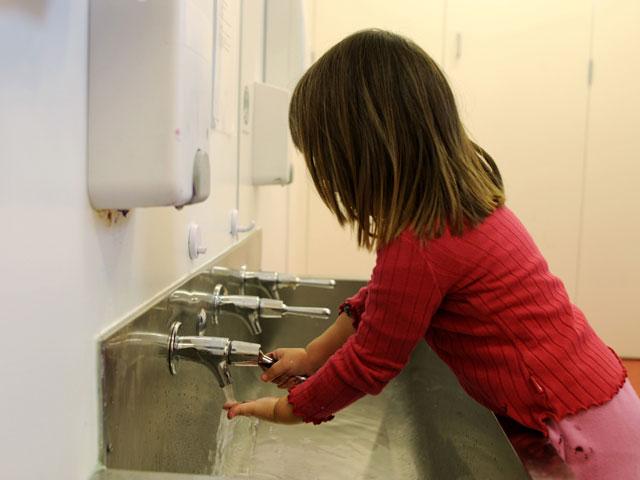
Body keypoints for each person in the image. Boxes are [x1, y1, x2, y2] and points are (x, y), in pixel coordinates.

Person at [223, 29, 640, 479]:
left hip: (577, 433)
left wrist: (286, 409)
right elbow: (382, 302)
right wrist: (311, 355)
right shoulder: (456, 212)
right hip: (597, 406)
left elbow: (369, 363)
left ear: (359, 154)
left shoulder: (419, 244)